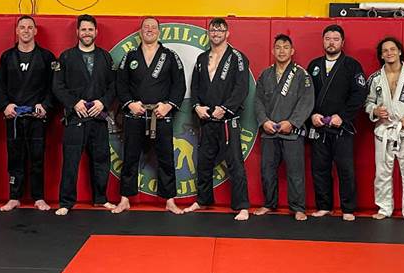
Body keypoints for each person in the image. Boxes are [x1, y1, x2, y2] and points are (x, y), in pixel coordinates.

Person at [112, 17, 186, 214]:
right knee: (130, 157)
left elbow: (179, 85)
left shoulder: (170, 56)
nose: (150, 30)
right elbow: (121, 84)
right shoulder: (130, 56)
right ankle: (125, 199)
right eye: (146, 27)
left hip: (160, 115)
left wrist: (168, 106)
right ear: (140, 32)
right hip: (135, 114)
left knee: (166, 158)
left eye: (153, 27)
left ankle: (170, 200)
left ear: (159, 32)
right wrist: (130, 104)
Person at [184, 18, 250, 221]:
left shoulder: (237, 57)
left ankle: (242, 206)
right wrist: (197, 106)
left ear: (227, 33)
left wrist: (225, 109)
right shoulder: (202, 58)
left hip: (228, 120)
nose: (216, 33)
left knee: (235, 162)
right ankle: (203, 200)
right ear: (209, 33)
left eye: (220, 30)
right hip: (206, 119)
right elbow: (195, 86)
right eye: (213, 30)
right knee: (203, 162)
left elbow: (242, 88)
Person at [53, 14, 116, 216]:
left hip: (98, 116)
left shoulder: (105, 57)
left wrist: (102, 102)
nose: (87, 33)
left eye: (90, 29)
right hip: (75, 117)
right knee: (70, 161)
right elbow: (58, 86)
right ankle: (66, 202)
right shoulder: (66, 57)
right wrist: (74, 103)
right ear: (77, 32)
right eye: (83, 29)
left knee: (101, 160)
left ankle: (101, 199)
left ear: (96, 32)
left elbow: (113, 86)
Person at [365, 37, 404, 225]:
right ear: (381, 55)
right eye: (385, 50)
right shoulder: (375, 78)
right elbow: (368, 101)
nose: (389, 53)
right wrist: (375, 111)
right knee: (382, 172)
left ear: (400, 51)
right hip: (384, 130)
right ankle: (384, 208)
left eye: (393, 49)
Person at [0, 16, 56, 212]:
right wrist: (5, 105)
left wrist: (45, 105)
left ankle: (39, 197)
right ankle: (14, 197)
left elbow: (53, 86)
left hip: (37, 117)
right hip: (14, 116)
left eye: (30, 27)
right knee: (15, 157)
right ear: (17, 31)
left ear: (35, 31)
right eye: (22, 27)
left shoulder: (47, 57)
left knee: (38, 158)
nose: (26, 30)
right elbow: (0, 85)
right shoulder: (7, 57)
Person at [307, 24, 367, 221]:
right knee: (319, 168)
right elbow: (305, 95)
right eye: (327, 39)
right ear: (323, 41)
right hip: (319, 126)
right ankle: (324, 206)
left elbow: (359, 94)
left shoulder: (352, 65)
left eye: (335, 39)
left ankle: (348, 208)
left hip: (342, 127)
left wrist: (342, 116)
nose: (331, 42)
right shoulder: (314, 65)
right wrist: (312, 115)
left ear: (342, 42)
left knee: (345, 169)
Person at [254, 34, 314, 220]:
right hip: (270, 130)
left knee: (295, 172)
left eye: (286, 47)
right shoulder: (265, 74)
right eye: (278, 47)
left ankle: (298, 208)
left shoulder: (302, 75)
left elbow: (306, 101)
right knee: (267, 171)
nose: (282, 51)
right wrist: (264, 121)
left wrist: (293, 122)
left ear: (292, 51)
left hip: (292, 132)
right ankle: (268, 204)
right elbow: (257, 101)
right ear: (273, 51)